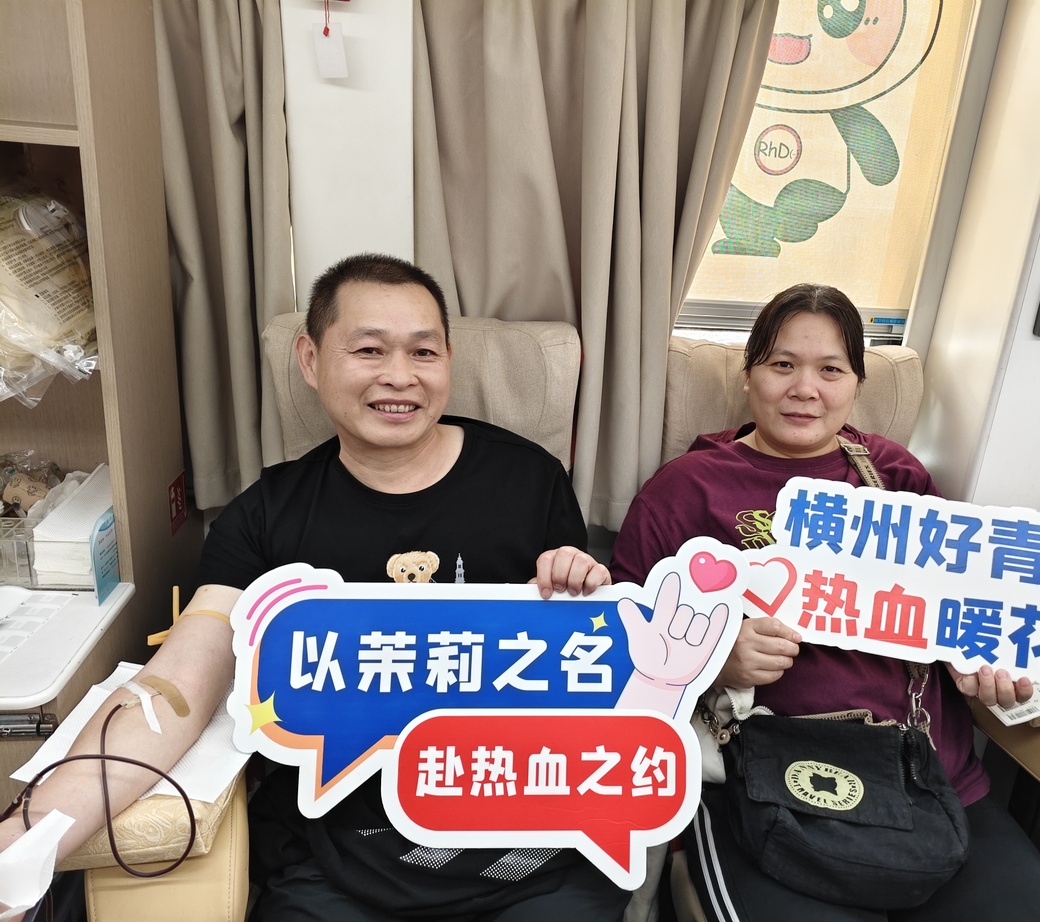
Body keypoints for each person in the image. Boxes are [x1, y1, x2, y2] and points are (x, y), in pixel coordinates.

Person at [0, 254, 629, 921]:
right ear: (310, 358)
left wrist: (582, 600)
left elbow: (585, 671)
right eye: (368, 350)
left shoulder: (528, 482)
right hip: (339, 859)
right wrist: (24, 840)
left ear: (448, 361)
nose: (400, 376)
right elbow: (178, 685)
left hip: (526, 852)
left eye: (423, 352)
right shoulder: (265, 519)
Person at [609, 283, 1040, 921]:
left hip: (927, 779)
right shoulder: (686, 490)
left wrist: (984, 660)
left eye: (831, 370)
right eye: (782, 365)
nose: (805, 389)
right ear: (748, 375)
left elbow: (962, 608)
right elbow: (618, 646)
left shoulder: (896, 478)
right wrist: (714, 660)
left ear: (856, 383)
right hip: (771, 784)